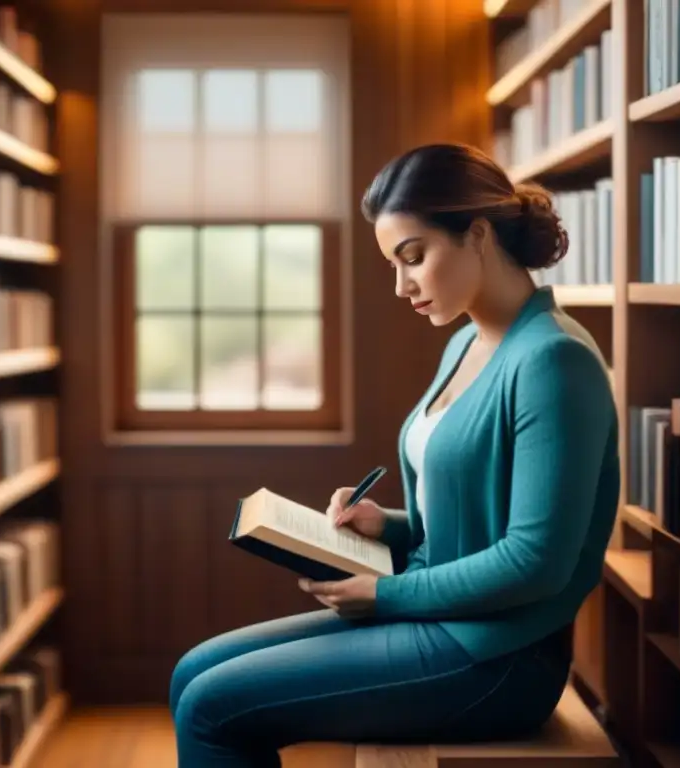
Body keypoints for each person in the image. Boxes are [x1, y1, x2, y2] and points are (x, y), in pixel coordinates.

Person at [169, 143, 620, 767]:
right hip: (437, 616)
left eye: (414, 257)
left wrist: (383, 597)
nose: (401, 285)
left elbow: (536, 561)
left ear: (478, 234)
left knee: (210, 706)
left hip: (498, 655)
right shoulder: (465, 342)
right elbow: (465, 525)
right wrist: (389, 525)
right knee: (193, 671)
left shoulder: (553, 361)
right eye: (393, 263)